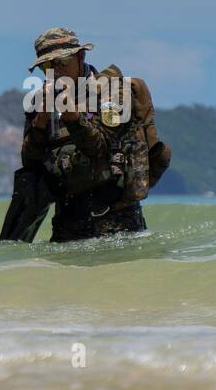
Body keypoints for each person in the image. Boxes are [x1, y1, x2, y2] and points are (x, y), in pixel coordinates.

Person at [18, 27, 172, 242]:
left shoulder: (114, 92)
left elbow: (101, 148)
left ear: (81, 56)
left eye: (61, 62)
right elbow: (30, 164)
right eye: (47, 66)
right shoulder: (40, 102)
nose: (55, 72)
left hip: (117, 222)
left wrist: (71, 116)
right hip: (67, 224)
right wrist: (41, 121)